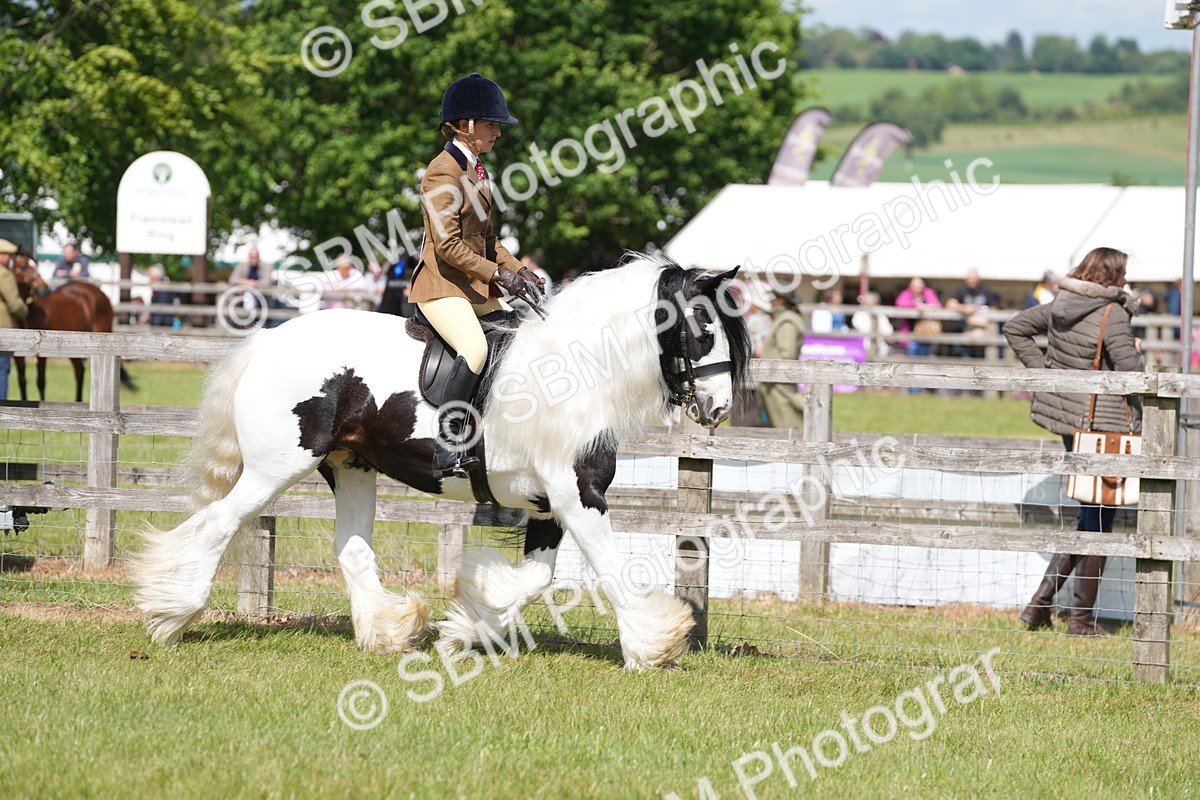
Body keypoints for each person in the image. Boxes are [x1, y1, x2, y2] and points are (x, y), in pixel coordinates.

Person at [407, 72, 543, 477]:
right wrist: (499, 275)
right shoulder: (441, 172)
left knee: (519, 334)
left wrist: (522, 272)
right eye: (490, 124)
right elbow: (447, 246)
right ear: (464, 125)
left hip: (469, 284)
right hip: (441, 285)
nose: (497, 133)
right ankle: (447, 444)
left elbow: (488, 239)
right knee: (477, 348)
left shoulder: (476, 172)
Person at [1005, 246, 1144, 636]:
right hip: (1103, 424)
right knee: (1101, 518)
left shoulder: (1062, 302)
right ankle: (1079, 620)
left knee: (1091, 515)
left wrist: (1050, 379)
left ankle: (1039, 606)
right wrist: (1138, 353)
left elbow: (1014, 327)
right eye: (1124, 273)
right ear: (1113, 275)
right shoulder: (1112, 312)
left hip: (1072, 421)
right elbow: (1131, 371)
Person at [755, 291, 806, 429]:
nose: (771, 301)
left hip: (778, 382)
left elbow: (787, 354)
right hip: (772, 381)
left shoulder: (787, 321)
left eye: (774, 298)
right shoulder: (782, 318)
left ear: (783, 300)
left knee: (786, 424)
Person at [946, 268, 1000, 359]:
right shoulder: (960, 290)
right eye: (970, 278)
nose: (972, 281)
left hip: (981, 327)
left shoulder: (986, 291)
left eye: (974, 278)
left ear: (979, 279)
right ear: (966, 279)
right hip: (964, 325)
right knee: (960, 345)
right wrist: (965, 308)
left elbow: (995, 306)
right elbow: (950, 304)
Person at [0, 238, 30, 399]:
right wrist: (26, 311)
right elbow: (14, 304)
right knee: (1, 371)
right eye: (8, 255)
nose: (11, 259)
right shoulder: (4, 274)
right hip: (2, 331)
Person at [894, 277, 940, 358]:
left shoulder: (928, 292)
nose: (918, 287)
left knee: (925, 358)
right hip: (909, 331)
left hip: (926, 332)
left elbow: (936, 305)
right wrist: (916, 305)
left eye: (920, 284)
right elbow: (900, 303)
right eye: (915, 285)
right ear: (910, 286)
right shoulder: (906, 294)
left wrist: (925, 307)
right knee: (911, 359)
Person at [851, 291, 894, 359]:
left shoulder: (881, 314)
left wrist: (888, 335)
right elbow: (860, 327)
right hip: (864, 345)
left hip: (880, 345)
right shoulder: (859, 313)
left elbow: (887, 328)